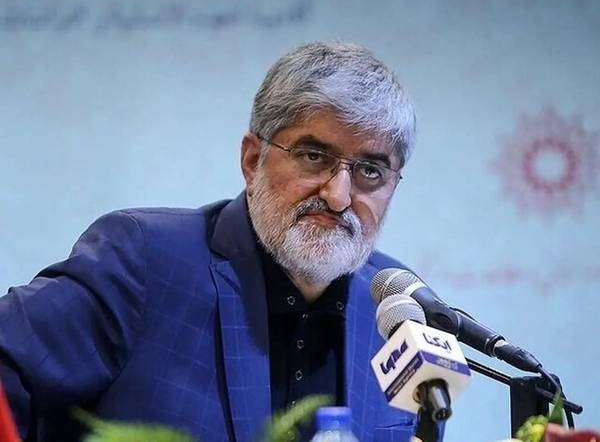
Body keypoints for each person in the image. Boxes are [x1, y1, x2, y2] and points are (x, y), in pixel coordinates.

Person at [0, 41, 435, 442]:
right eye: (313, 156)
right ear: (252, 159)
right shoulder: (144, 261)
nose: (338, 196)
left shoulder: (398, 310)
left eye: (370, 171)